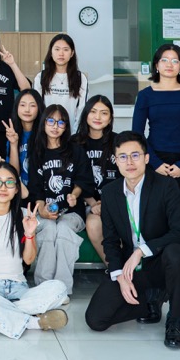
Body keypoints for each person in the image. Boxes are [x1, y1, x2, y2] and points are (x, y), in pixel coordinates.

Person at [84, 132, 180, 349]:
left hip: (161, 262)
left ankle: (174, 318)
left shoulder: (166, 186)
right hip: (132, 268)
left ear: (146, 158)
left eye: (135, 155)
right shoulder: (110, 193)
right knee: (96, 319)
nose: (130, 162)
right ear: (116, 161)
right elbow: (111, 241)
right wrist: (119, 276)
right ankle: (150, 300)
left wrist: (142, 250)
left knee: (177, 254)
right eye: (123, 157)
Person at [0, 163, 68, 338]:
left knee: (59, 289)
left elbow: (28, 260)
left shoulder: (25, 215)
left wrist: (30, 234)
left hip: (19, 288)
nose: (3, 187)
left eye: (9, 182)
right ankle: (33, 322)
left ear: (17, 189)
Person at [131, 43, 180, 227]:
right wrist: (155, 163)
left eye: (175, 61)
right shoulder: (145, 95)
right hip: (155, 162)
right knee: (155, 219)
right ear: (156, 65)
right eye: (164, 60)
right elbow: (137, 134)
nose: (169, 64)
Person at [26, 104, 92, 295]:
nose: (55, 126)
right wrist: (41, 209)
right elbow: (35, 188)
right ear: (43, 123)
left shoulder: (76, 150)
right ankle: (43, 287)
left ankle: (62, 289)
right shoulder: (36, 152)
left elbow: (83, 179)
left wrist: (74, 195)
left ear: (66, 127)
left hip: (72, 212)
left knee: (63, 229)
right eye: (51, 121)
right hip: (46, 211)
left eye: (61, 122)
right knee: (48, 228)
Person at [77, 96, 118, 263]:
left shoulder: (118, 141)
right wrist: (93, 203)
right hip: (86, 203)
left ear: (110, 118)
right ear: (86, 114)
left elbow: (125, 178)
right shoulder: (75, 142)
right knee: (94, 225)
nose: (98, 117)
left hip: (114, 201)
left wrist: (106, 203)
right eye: (93, 112)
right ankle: (114, 269)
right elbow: (72, 178)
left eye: (104, 113)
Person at [34, 33, 89, 132]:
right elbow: (38, 108)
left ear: (72, 53)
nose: (61, 53)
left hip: (72, 133)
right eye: (57, 49)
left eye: (66, 49)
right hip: (47, 133)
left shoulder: (80, 78)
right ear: (51, 52)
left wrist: (75, 134)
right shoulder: (41, 77)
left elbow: (82, 109)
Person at [1, 88, 44, 184]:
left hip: (40, 190)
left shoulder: (45, 135)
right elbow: (14, 174)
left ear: (39, 108)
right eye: (23, 105)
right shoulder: (13, 135)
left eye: (32, 105)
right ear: (16, 107)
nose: (27, 110)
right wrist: (13, 144)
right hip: (22, 188)